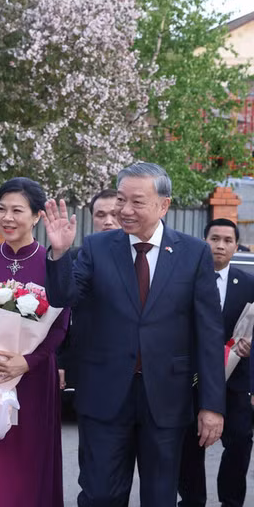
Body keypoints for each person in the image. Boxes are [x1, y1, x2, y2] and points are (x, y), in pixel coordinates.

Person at [44, 162, 225, 506]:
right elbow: (62, 297)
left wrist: (212, 405)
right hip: (104, 396)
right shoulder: (96, 247)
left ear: (164, 205)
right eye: (121, 200)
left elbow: (209, 333)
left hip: (168, 398)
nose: (124, 210)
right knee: (100, 495)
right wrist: (59, 254)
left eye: (137, 202)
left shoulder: (193, 253)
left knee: (160, 497)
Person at [0, 178, 70, 507]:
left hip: (33, 378)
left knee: (28, 464)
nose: (7, 217)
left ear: (36, 216)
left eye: (17, 211)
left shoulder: (52, 261)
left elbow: (60, 325)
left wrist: (29, 361)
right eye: (1, 209)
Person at [178, 218, 254, 507]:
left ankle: (231, 501)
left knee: (240, 442)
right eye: (214, 239)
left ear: (236, 246)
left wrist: (249, 346)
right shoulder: (184, 280)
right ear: (204, 242)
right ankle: (192, 500)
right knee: (189, 444)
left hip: (235, 380)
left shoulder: (248, 284)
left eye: (227, 240)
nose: (220, 245)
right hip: (192, 378)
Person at [58, 188, 121, 390]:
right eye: (101, 215)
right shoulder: (75, 258)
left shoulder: (143, 257)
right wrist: (60, 360)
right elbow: (61, 311)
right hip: (85, 362)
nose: (108, 221)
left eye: (115, 214)